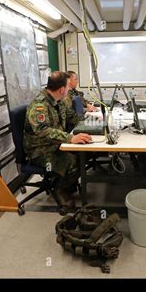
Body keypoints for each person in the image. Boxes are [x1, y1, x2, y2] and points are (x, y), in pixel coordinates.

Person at [23, 71, 92, 211]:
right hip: (39, 150)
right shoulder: (39, 105)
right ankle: (61, 190)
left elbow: (71, 117)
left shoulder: (57, 101)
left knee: (84, 154)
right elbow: (43, 132)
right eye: (68, 87)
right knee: (73, 162)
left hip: (55, 143)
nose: (69, 89)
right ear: (62, 89)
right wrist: (70, 138)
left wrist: (92, 121)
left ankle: (65, 182)